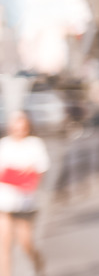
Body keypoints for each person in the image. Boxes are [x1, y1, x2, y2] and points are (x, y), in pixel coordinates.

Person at [0, 111, 48, 276]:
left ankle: (37, 261)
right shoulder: (4, 145)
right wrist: (20, 174)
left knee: (25, 243)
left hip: (25, 205)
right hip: (4, 203)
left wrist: (20, 175)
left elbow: (38, 172)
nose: (18, 130)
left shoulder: (35, 144)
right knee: (4, 245)